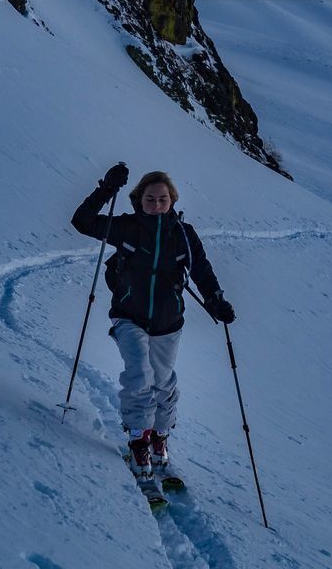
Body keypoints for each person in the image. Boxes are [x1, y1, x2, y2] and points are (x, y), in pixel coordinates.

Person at [71, 162, 235, 485]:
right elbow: (82, 222)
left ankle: (159, 436)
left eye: (162, 199)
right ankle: (137, 440)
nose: (157, 205)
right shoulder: (127, 227)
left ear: (172, 200)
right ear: (138, 200)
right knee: (139, 375)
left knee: (163, 381)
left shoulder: (184, 235)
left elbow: (201, 269)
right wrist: (106, 189)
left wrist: (216, 299)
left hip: (168, 322)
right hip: (128, 316)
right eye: (150, 199)